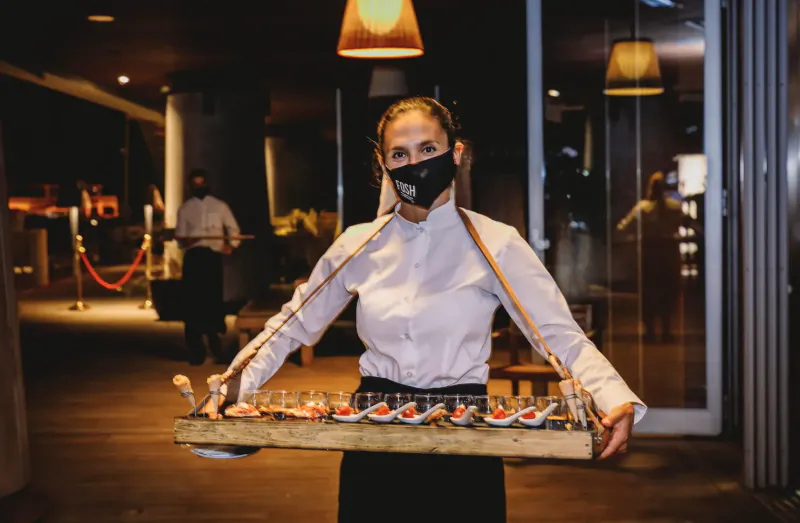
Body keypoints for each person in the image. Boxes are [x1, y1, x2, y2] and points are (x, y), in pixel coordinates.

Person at [223, 97, 645, 522]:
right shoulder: (358, 243)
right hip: (373, 428)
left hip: (466, 429)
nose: (415, 163)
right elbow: (292, 325)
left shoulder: (496, 242)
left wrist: (612, 396)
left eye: (428, 149)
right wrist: (235, 384)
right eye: (399, 154)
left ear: (455, 153)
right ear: (383, 164)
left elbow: (557, 333)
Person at [176, 169, 241, 365]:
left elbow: (234, 230)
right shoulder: (185, 208)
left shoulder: (219, 206)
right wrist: (188, 240)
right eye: (195, 185)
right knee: (193, 302)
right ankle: (195, 348)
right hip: (194, 258)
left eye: (202, 184)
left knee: (212, 300)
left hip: (212, 258)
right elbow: (180, 238)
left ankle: (215, 344)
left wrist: (231, 244)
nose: (199, 188)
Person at [617, 171, 683, 342]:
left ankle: (651, 331)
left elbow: (623, 227)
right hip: (668, 253)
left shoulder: (642, 208)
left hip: (651, 254)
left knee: (650, 294)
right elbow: (690, 223)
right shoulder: (675, 207)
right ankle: (666, 330)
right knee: (668, 293)